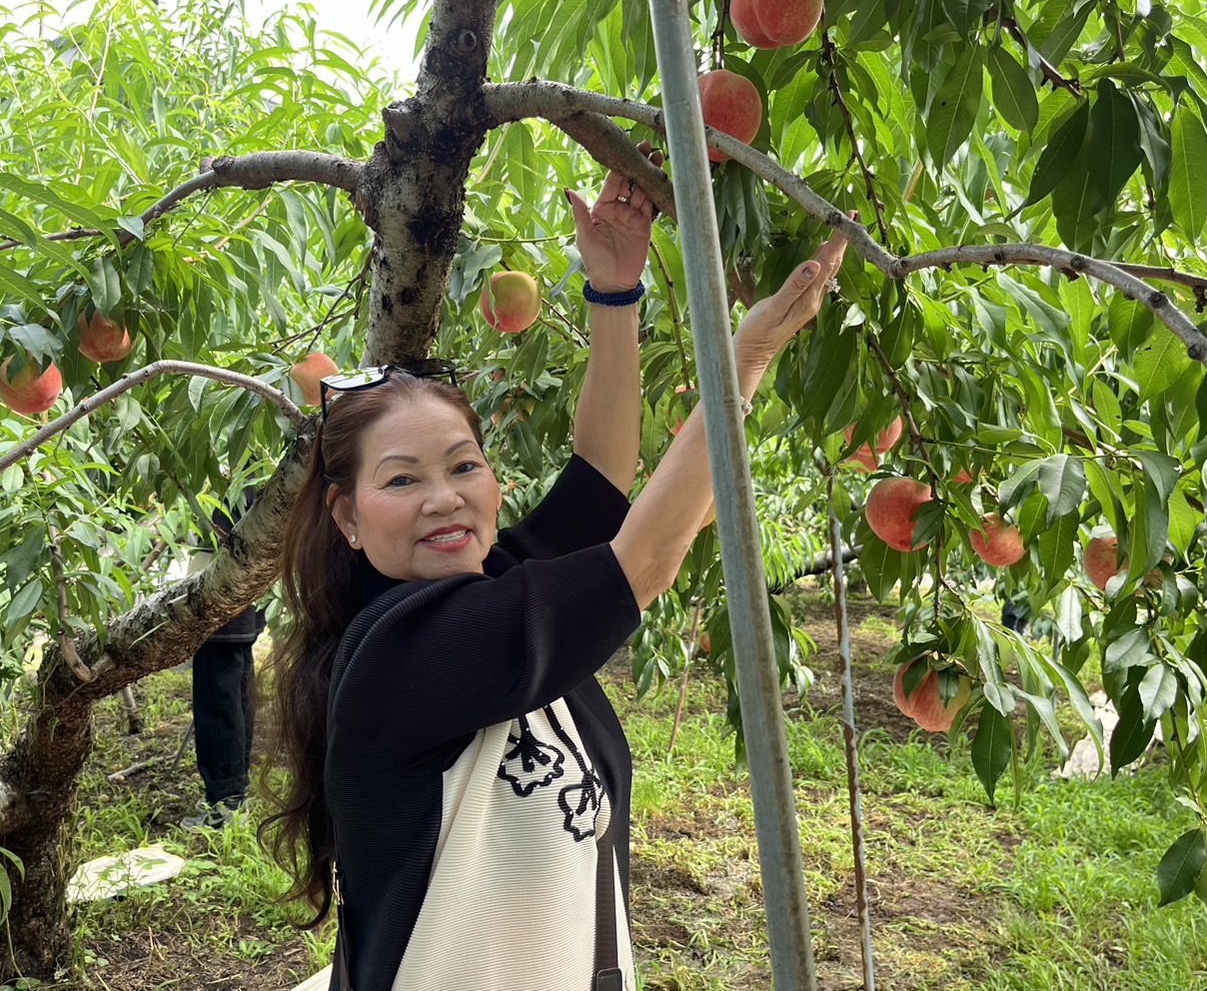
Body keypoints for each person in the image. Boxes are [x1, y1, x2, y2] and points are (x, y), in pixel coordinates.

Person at [262, 149, 848, 991]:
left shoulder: (488, 583)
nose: (445, 499)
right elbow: (641, 557)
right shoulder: (403, 655)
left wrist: (613, 291)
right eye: (401, 479)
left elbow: (602, 478)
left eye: (463, 466)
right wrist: (742, 358)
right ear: (346, 517)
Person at [181, 493, 265, 831]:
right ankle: (234, 794)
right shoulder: (253, 480)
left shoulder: (221, 484)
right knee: (236, 701)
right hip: (243, 605)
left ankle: (225, 805)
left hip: (218, 607)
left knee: (218, 706)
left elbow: (205, 535)